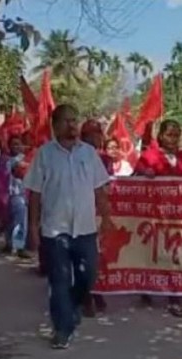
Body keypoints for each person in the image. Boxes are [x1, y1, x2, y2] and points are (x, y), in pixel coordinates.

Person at [24, 104, 112, 349]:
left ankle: (71, 308)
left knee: (88, 276)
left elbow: (100, 189)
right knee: (59, 281)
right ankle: (62, 329)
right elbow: (34, 194)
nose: (72, 125)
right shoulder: (44, 155)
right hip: (54, 230)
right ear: (55, 125)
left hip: (85, 229)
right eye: (66, 121)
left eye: (75, 120)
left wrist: (106, 217)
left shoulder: (89, 154)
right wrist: (33, 227)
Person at [134, 119, 182, 317]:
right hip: (154, 216)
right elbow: (133, 178)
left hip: (179, 217)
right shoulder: (149, 156)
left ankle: (174, 299)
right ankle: (147, 290)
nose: (173, 139)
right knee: (153, 255)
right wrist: (144, 172)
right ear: (160, 136)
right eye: (169, 135)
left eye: (177, 135)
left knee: (175, 255)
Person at [79, 119, 110, 317]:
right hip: (81, 212)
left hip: (97, 212)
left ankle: (95, 293)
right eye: (93, 134)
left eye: (99, 134)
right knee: (84, 258)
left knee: (96, 258)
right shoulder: (79, 156)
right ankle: (87, 297)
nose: (97, 138)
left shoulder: (104, 159)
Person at [3, 134, 31, 258]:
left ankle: (14, 245)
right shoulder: (11, 160)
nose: (16, 146)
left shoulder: (24, 158)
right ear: (9, 146)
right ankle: (15, 246)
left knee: (17, 221)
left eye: (18, 144)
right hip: (12, 195)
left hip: (21, 195)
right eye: (13, 144)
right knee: (15, 222)